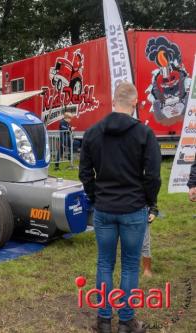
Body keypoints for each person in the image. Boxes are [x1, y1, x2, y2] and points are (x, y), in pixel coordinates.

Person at [79, 82, 161, 333]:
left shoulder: (93, 133)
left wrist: (95, 197)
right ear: (135, 102)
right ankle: (126, 321)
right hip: (133, 209)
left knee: (104, 263)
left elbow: (84, 174)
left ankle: (104, 320)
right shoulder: (144, 134)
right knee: (129, 265)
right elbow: (153, 176)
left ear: (113, 101)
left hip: (105, 208)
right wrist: (150, 202)